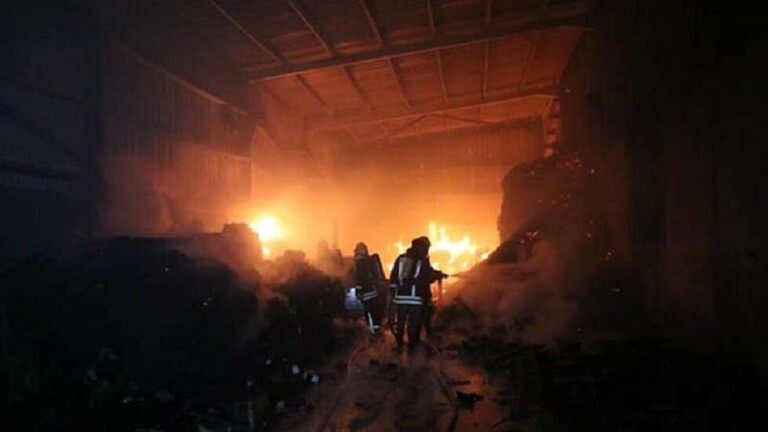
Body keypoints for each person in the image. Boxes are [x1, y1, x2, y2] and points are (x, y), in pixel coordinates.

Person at [389, 236, 446, 351]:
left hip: (400, 298)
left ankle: (399, 343)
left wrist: (393, 295)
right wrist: (438, 275)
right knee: (414, 323)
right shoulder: (422, 260)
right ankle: (412, 347)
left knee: (400, 321)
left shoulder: (401, 259)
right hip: (415, 299)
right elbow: (427, 276)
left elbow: (393, 277)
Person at [353, 242, 386, 337]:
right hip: (375, 292)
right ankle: (377, 333)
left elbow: (360, 279)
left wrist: (358, 291)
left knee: (369, 314)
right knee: (376, 313)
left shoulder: (360, 263)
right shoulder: (370, 261)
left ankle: (373, 335)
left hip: (367, 293)